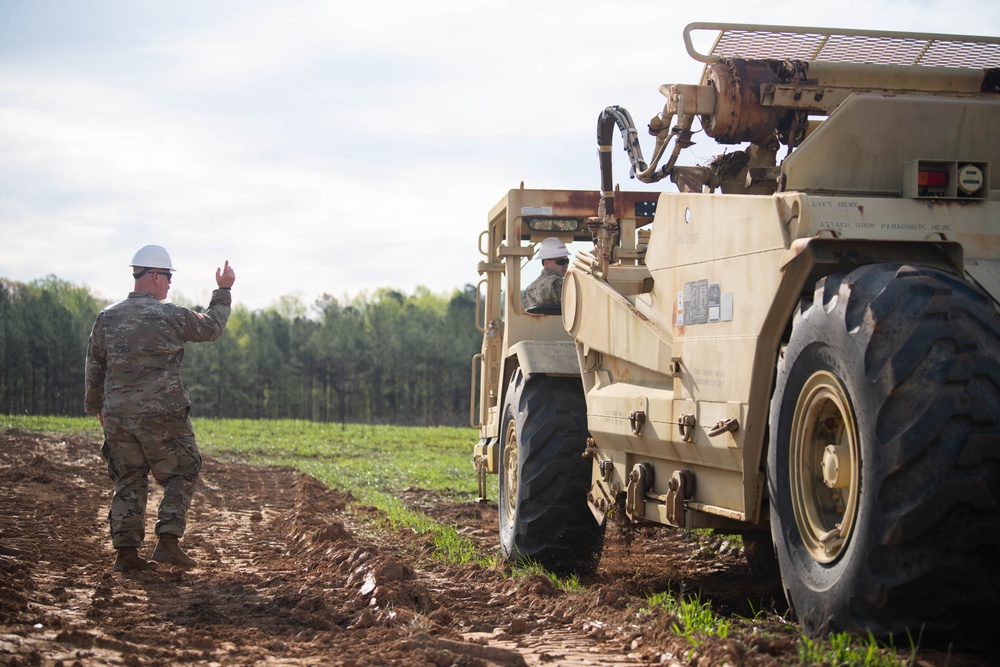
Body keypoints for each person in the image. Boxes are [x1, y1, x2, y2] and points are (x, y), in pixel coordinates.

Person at [85, 244, 236, 573]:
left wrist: (97, 406)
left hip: (117, 416)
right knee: (184, 468)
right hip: (162, 413)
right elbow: (211, 327)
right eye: (167, 276)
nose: (169, 283)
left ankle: (126, 554)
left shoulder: (106, 317)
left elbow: (95, 366)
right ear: (153, 276)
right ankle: (167, 543)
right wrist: (223, 291)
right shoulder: (172, 316)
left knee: (128, 477)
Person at [522, 237, 569, 311]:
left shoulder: (528, 290)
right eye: (561, 261)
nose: (566, 265)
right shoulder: (556, 283)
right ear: (546, 263)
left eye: (567, 261)